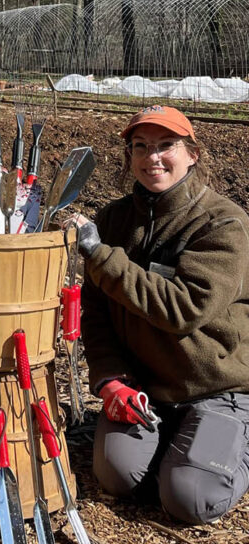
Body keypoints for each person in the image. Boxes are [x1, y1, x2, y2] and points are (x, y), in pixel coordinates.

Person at [67, 105, 249, 525]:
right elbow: (95, 312)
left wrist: (100, 256)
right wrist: (110, 377)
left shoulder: (222, 223)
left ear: (192, 154)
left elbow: (183, 309)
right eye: (141, 146)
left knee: (190, 499)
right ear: (129, 156)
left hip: (215, 388)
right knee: (118, 477)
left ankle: (226, 439)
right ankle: (185, 449)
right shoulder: (114, 220)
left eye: (167, 145)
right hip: (145, 388)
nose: (153, 157)